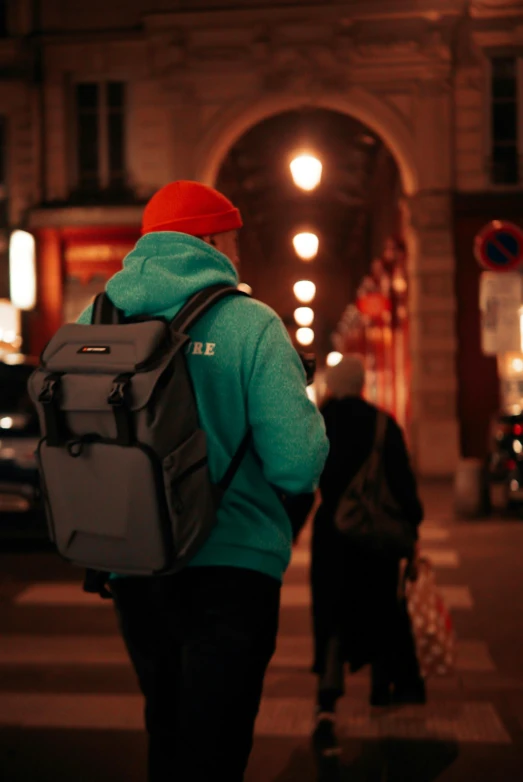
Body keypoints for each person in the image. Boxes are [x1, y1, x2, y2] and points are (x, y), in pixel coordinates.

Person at [77, 180, 329, 781]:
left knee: (166, 731)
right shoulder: (250, 324)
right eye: (233, 241)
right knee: (216, 749)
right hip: (232, 567)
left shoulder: (96, 316)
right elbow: (299, 461)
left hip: (134, 563)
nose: (236, 254)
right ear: (210, 238)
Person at [310, 354, 424, 755]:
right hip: (373, 539)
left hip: (332, 537)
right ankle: (380, 689)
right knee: (378, 608)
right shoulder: (383, 424)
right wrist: (413, 526)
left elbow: (301, 477)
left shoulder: (320, 422)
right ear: (360, 383)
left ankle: (326, 702)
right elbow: (403, 485)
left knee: (333, 617)